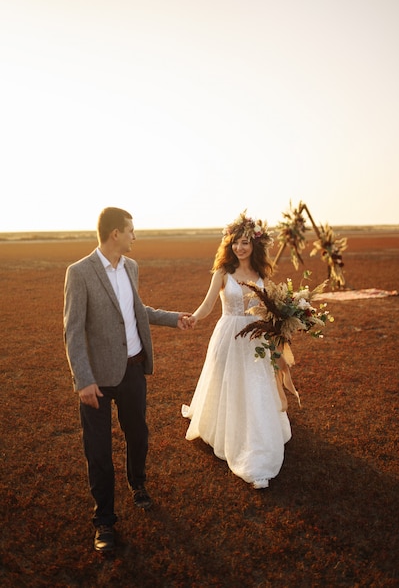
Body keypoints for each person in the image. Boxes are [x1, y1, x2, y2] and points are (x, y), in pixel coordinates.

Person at [64, 207, 191, 553]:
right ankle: (104, 521)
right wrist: (83, 380)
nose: (136, 236)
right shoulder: (80, 272)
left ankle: (138, 484)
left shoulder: (131, 267)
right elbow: (73, 331)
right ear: (114, 233)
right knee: (99, 450)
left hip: (134, 369)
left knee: (139, 434)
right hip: (98, 380)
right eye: (131, 230)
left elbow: (137, 310)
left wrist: (172, 318)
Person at [182, 211, 291, 489]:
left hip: (256, 338)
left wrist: (283, 325)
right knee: (227, 383)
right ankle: (227, 430)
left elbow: (269, 309)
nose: (239, 247)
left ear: (255, 245)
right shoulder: (222, 272)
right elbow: (208, 305)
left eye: (245, 242)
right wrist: (194, 317)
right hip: (228, 336)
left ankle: (257, 443)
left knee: (255, 386)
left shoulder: (262, 274)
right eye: (235, 242)